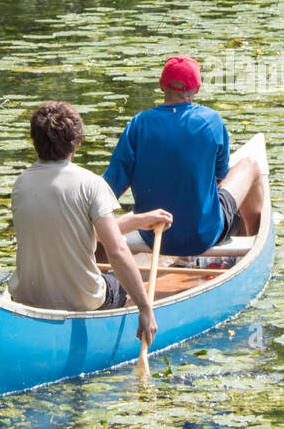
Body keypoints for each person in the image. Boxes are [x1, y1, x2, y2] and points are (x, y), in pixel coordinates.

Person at [9, 101, 171, 350]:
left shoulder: (21, 184)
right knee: (116, 284)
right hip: (82, 300)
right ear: (76, 142)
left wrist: (137, 221)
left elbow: (71, 229)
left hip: (27, 298)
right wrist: (146, 308)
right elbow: (116, 250)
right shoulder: (91, 184)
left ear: (34, 141)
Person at [103, 55, 264, 256]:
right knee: (250, 166)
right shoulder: (211, 121)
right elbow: (221, 177)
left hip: (153, 234)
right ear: (196, 89)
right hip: (203, 236)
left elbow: (110, 188)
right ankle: (254, 248)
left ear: (162, 85)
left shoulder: (138, 124)